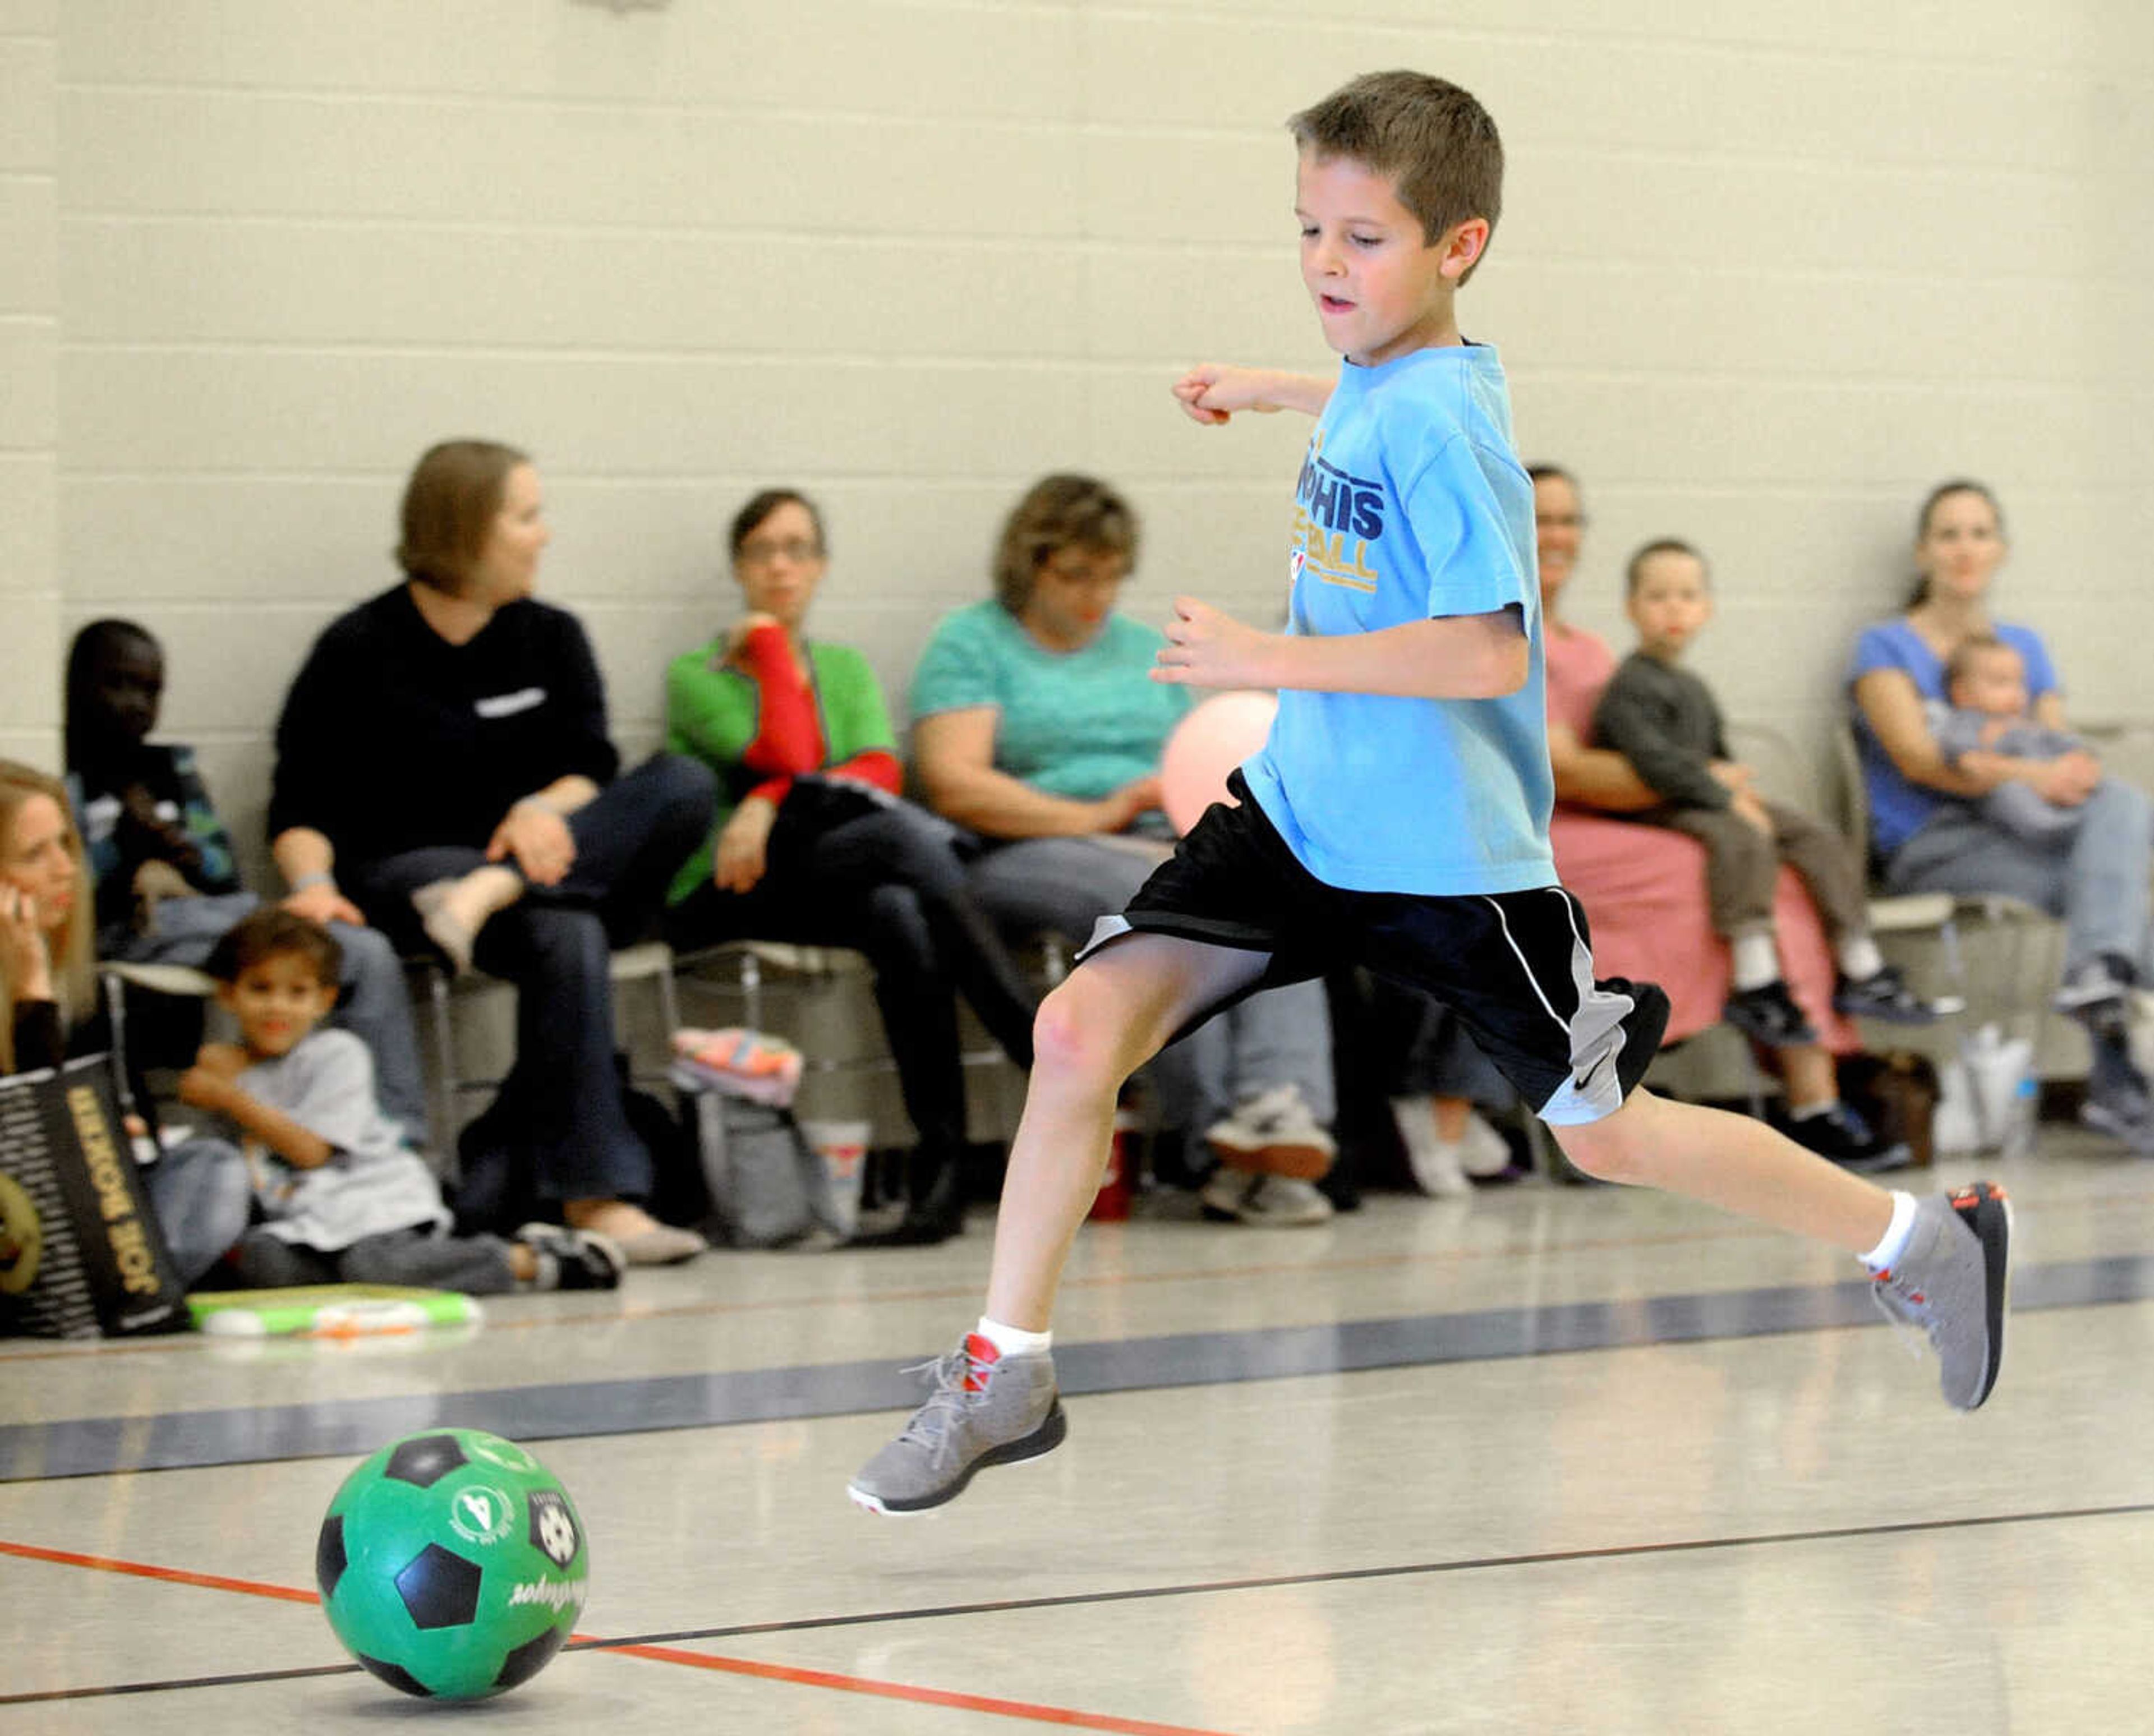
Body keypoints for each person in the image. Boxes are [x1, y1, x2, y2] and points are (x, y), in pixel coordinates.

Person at [846, 69, 2009, 1517]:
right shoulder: (1400, 377)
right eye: (1311, 232)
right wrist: (1272, 386)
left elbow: (1483, 648)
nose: (1329, 266)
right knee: (1082, 1025)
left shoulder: (1448, 434)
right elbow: (1370, 392)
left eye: (1365, 239)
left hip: (1449, 862)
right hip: (1297, 815)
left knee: (1612, 1136)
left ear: (1457, 247)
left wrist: (1270, 653)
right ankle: (1005, 1360)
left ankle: (1919, 1236)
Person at [268, 439, 716, 1263]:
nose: (543, 534)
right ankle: (596, 1196)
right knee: (569, 927)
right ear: (469, 527)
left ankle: (492, 891)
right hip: (410, 872)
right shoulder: (358, 648)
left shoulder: (552, 636)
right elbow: (299, 802)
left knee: (681, 784)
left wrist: (540, 808)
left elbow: (592, 769)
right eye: (527, 514)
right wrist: (313, 886)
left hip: (530, 875)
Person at [909, 473, 1342, 1227]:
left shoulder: (1146, 650)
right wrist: (1095, 810)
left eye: (1110, 575)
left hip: (1152, 834)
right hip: (1024, 846)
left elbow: (1198, 757)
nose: (1095, 594)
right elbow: (957, 783)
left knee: (1276, 889)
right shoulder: (972, 642)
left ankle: (1279, 1111)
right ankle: (1214, 1133)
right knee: (1159, 902)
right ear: (1029, 564)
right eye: (1075, 574)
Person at [663, 489, 1041, 1246]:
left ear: (822, 564)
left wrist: (768, 800)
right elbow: (796, 756)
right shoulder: (697, 672)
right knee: (903, 846)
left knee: (899, 907)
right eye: (762, 550)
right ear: (739, 566)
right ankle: (1031, 1034)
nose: (780, 564)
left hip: (828, 873)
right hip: (730, 888)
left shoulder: (842, 666)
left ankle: (941, 1178)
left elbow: (877, 772)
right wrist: (768, 649)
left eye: (797, 548)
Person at [1850, 479, 2154, 1148]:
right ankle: (2116, 1082)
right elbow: (1922, 759)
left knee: (2120, 810)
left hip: (2027, 832)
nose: (1966, 548)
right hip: (1934, 842)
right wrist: (2030, 771)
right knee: (2114, 899)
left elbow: (2061, 756)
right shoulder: (1884, 649)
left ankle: (2103, 1013)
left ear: (2001, 549)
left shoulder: (2024, 646)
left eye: (1980, 532)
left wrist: (2051, 774)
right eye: (1950, 533)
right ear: (1923, 550)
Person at [62, 618, 431, 1142]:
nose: (135, 703)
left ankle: (398, 1142)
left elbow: (223, 872)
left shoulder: (169, 767)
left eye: (150, 690)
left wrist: (181, 849)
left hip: (221, 919)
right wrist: (125, 844)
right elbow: (70, 896)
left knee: (367, 953)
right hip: (130, 928)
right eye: (118, 683)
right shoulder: (63, 772)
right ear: (76, 685)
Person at [154, 908, 624, 1293]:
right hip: (306, 1223)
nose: (278, 1007)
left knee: (372, 1262)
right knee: (261, 1260)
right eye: (261, 989)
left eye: (297, 992)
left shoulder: (337, 1053)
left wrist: (229, 1098)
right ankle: (367, 1276)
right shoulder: (231, 1071)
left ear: (324, 1000)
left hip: (375, 1206)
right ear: (228, 995)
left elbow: (312, 1153)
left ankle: (523, 1259)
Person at [1590, 538, 1941, 1047]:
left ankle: (1860, 961)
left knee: (1813, 834)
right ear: (1630, 608)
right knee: (1742, 838)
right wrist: (1726, 797)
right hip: (1661, 806)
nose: (1674, 608)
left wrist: (1740, 791)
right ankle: (1755, 977)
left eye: (1687, 596)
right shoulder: (1630, 685)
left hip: (1706, 794)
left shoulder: (1692, 685)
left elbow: (1718, 754)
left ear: (1706, 609)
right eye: (1657, 596)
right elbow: (1654, 762)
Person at [0, 758, 254, 1275]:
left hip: (79, 1223)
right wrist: (30, 996)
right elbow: (28, 1154)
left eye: (65, 845)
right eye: (35, 854)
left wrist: (121, 1136)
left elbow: (97, 1156)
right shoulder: (38, 987)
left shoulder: (78, 986)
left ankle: (133, 1291)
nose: (65, 868)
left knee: (211, 1166)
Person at [1930, 635, 2088, 843]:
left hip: (2049, 789)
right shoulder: (1971, 721)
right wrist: (1978, 754)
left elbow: (2057, 742)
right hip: (1997, 793)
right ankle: (2047, 828)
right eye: (2001, 683)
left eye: (2020, 683)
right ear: (1963, 694)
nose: (2016, 694)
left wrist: (2077, 755)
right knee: (2008, 793)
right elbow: (1963, 753)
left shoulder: (2025, 724)